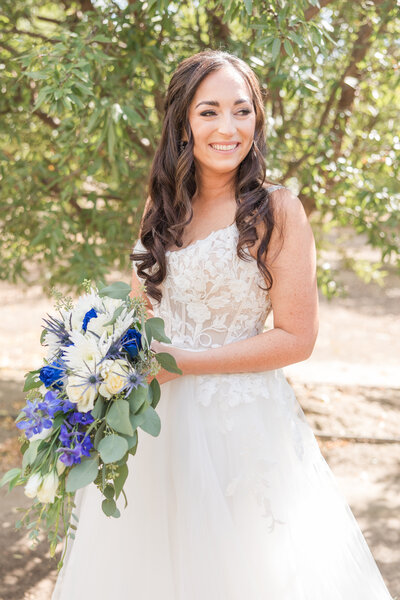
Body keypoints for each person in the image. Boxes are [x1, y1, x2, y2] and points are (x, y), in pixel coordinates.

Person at [51, 50, 394, 599]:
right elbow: (140, 315)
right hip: (154, 426)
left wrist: (185, 363)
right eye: (209, 112)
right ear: (184, 121)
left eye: (242, 111)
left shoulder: (278, 210)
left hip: (243, 430)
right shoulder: (160, 208)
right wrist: (97, 366)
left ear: (258, 120)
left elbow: (297, 338)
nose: (228, 128)